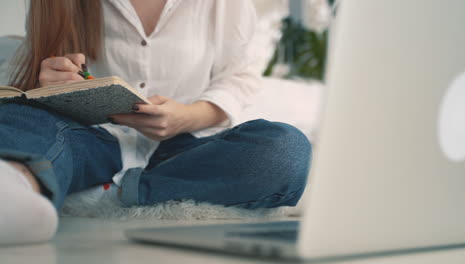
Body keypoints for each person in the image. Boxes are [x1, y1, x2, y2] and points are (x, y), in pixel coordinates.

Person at [0, 0, 312, 245]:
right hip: (94, 138)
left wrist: (187, 117)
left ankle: (123, 191)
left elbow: (238, 77)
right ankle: (15, 188)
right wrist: (51, 81)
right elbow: (44, 78)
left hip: (189, 146)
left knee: (285, 149)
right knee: (19, 115)